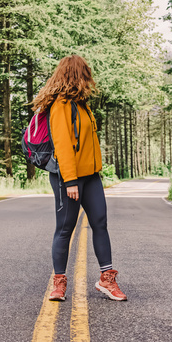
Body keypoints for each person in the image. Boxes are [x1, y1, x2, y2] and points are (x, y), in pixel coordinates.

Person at [31, 54, 127, 302]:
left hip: (91, 176)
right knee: (65, 228)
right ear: (77, 75)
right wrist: (70, 180)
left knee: (100, 223)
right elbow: (63, 144)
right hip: (68, 178)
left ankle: (107, 279)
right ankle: (59, 283)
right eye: (85, 73)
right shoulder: (61, 105)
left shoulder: (81, 104)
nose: (89, 78)